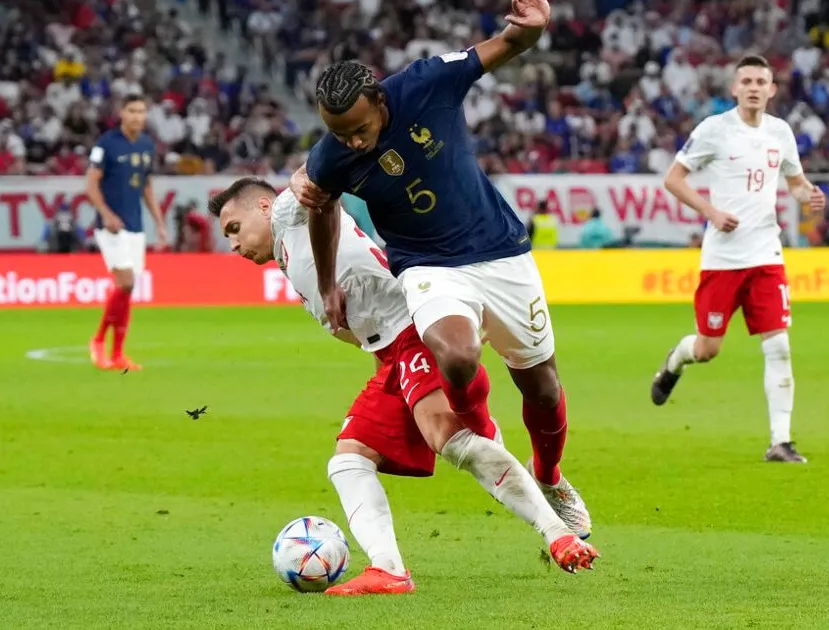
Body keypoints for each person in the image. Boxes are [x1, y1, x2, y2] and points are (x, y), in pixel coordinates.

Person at [289, 0, 591, 537]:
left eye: (358, 129)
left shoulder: (427, 83)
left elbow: (505, 47)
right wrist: (328, 283)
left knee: (543, 387)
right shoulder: (331, 155)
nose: (352, 143)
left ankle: (549, 474)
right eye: (339, 134)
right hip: (426, 265)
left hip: (500, 251)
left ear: (381, 101)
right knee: (456, 354)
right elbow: (321, 208)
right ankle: (485, 438)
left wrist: (531, 27)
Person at [208, 177, 599, 596]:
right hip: (388, 356)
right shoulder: (289, 253)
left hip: (414, 329)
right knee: (348, 460)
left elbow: (320, 176)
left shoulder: (290, 209)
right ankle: (389, 570)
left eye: (234, 228)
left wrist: (322, 162)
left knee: (451, 438)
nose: (233, 243)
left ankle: (557, 532)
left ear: (265, 207)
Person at [650, 55, 827, 463]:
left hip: (766, 253)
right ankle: (676, 361)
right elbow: (673, 179)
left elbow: (796, 184)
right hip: (723, 259)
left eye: (760, 81)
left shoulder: (781, 132)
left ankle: (780, 441)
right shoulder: (714, 130)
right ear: (734, 88)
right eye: (745, 80)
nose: (752, 87)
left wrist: (809, 195)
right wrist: (710, 212)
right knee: (708, 349)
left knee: (779, 346)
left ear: (772, 89)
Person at [85, 94, 168, 371]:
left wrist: (159, 223)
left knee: (127, 289)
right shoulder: (106, 144)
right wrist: (106, 214)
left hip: (135, 226)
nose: (137, 116)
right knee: (126, 282)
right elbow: (91, 184)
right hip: (111, 225)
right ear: (121, 113)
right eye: (132, 111)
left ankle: (118, 354)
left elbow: (146, 186)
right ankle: (98, 341)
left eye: (142, 111)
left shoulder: (146, 145)